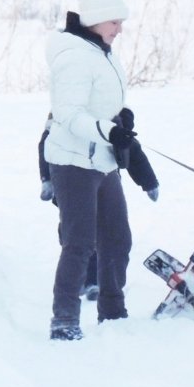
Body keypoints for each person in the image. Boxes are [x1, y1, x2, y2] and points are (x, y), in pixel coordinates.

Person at [43, 0, 145, 341]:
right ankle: (65, 320)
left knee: (118, 239)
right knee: (80, 243)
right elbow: (69, 115)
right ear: (98, 20)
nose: (120, 29)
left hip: (102, 160)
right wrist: (108, 131)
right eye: (115, 22)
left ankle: (113, 312)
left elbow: (99, 100)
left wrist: (121, 117)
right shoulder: (74, 56)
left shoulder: (101, 51)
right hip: (73, 163)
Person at [38, 113, 159, 302]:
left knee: (112, 235)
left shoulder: (108, 117)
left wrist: (149, 182)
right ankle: (81, 280)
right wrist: (47, 181)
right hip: (71, 182)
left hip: (106, 184)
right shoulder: (63, 118)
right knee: (79, 235)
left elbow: (133, 152)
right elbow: (47, 147)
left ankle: (99, 282)